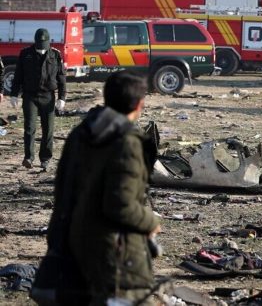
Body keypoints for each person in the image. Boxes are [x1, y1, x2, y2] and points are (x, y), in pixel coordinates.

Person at [52, 71, 161, 305]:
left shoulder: (82, 132)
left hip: (75, 238)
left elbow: (62, 188)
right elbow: (121, 205)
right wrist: (151, 222)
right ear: (139, 104)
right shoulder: (127, 141)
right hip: (115, 248)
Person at [10, 28, 66, 169]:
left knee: (48, 129)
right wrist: (14, 94)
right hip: (30, 96)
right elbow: (18, 75)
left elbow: (61, 78)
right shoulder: (25, 54)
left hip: (48, 96)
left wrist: (62, 97)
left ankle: (45, 158)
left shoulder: (55, 55)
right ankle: (29, 157)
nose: (41, 48)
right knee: (29, 127)